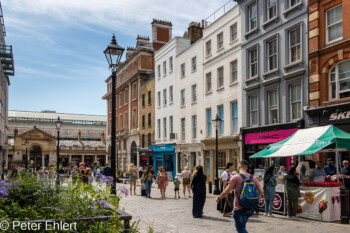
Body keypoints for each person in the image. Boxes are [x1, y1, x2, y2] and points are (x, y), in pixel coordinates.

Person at [216, 160, 263, 233]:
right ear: (247, 168)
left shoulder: (235, 177)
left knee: (241, 229)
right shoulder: (253, 178)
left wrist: (219, 197)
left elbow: (226, 191)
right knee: (243, 227)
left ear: (238, 167)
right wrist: (253, 198)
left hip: (239, 207)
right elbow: (261, 191)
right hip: (250, 208)